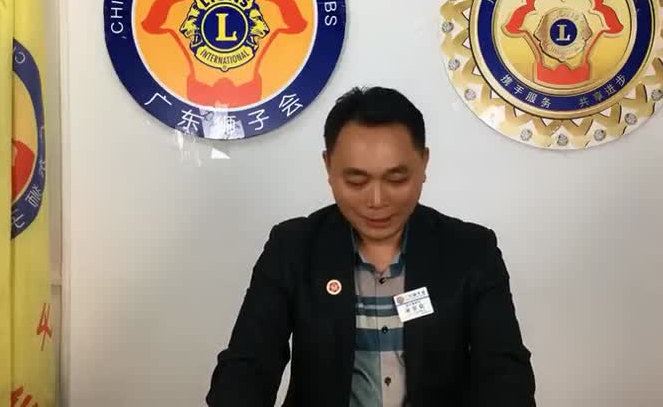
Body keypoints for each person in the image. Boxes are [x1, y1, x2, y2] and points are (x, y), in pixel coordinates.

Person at [206, 87, 535, 407]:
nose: (376, 201)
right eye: (356, 181)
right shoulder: (293, 247)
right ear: (328, 167)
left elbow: (504, 374)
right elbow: (247, 366)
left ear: (424, 163)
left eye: (396, 179)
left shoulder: (471, 250)